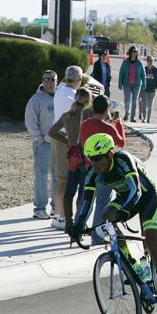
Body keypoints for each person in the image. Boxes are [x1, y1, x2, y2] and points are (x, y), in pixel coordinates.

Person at [69, 133, 157, 314]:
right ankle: (133, 263)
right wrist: (78, 225)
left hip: (146, 197)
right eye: (91, 159)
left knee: (152, 243)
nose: (95, 164)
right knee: (106, 216)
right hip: (124, 198)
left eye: (98, 159)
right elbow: (87, 201)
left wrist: (123, 211)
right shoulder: (92, 172)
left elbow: (136, 191)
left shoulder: (123, 160)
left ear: (110, 154)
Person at [78, 95, 126, 246]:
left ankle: (77, 231)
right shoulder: (108, 128)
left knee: (87, 201)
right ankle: (97, 236)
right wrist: (118, 124)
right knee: (102, 202)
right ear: (107, 110)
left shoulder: (85, 124)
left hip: (89, 166)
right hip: (104, 168)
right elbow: (121, 142)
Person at [49, 87, 92, 232]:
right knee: (83, 191)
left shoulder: (67, 115)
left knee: (69, 190)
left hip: (73, 155)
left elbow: (52, 132)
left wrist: (66, 140)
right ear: (88, 100)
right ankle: (81, 221)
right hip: (86, 155)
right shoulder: (89, 115)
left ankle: (68, 222)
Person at [50, 65, 84, 229]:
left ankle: (57, 215)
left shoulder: (61, 89)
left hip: (57, 139)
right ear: (78, 80)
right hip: (65, 140)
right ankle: (62, 217)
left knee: (59, 179)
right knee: (64, 180)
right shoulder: (72, 97)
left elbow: (66, 80)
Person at [24, 70, 57, 220]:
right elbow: (30, 121)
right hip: (43, 144)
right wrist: (40, 139)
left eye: (52, 80)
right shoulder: (36, 100)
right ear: (42, 81)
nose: (49, 82)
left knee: (58, 177)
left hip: (59, 144)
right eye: (46, 79)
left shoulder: (60, 98)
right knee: (41, 177)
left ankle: (57, 207)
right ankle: (39, 208)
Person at [118, 46, 146, 122]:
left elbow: (143, 74)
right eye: (133, 52)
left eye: (136, 52)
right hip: (127, 84)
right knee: (127, 100)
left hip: (136, 84)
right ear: (130, 53)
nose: (134, 53)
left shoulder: (139, 63)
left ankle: (132, 117)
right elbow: (121, 73)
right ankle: (127, 112)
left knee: (134, 101)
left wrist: (144, 84)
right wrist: (120, 83)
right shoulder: (125, 62)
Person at [142, 55, 157, 123]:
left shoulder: (156, 70)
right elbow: (142, 78)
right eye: (149, 61)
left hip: (152, 90)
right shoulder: (144, 69)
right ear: (147, 61)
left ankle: (148, 119)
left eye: (151, 61)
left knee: (150, 105)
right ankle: (144, 117)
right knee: (145, 104)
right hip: (145, 89)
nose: (150, 62)